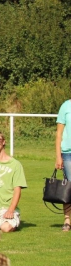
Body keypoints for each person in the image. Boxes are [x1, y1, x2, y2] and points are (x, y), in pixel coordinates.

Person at [55, 98, 71, 231]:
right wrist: (58, 156)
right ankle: (67, 220)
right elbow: (59, 134)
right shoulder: (65, 106)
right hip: (68, 153)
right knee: (69, 186)